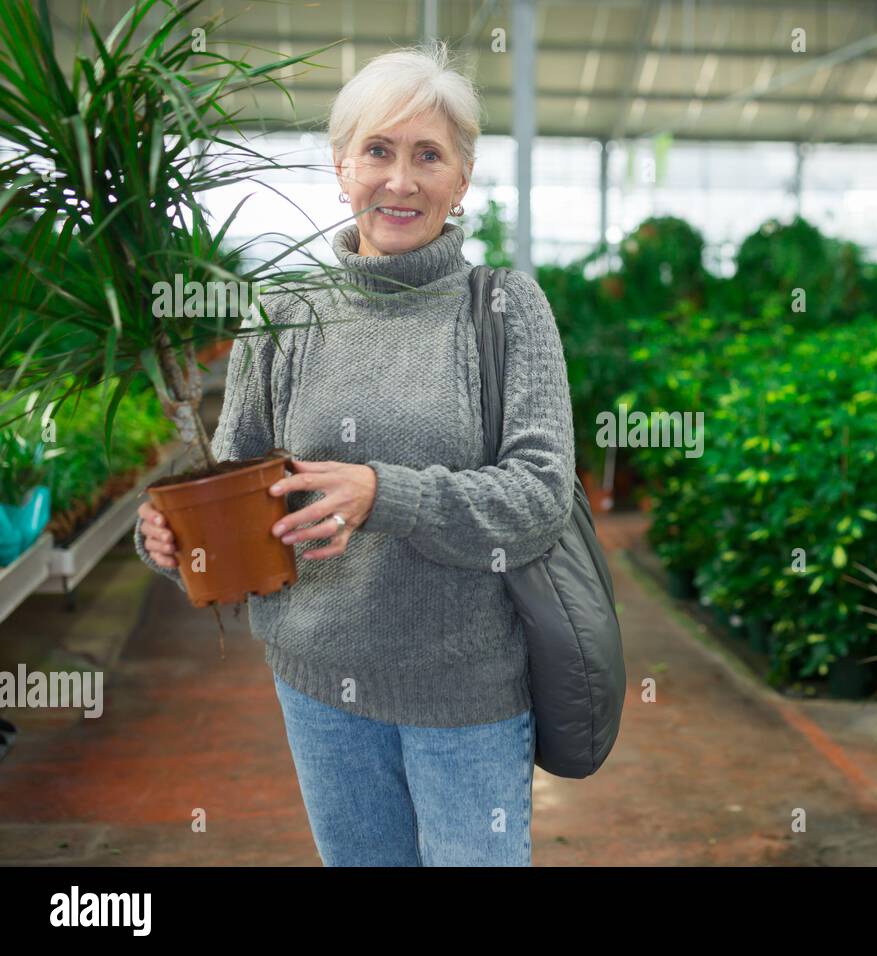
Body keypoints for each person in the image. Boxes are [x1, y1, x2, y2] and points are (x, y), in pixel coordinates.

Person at [133, 40, 575, 867]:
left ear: (463, 179)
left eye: (428, 156)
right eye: (378, 151)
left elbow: (542, 497)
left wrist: (387, 494)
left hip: (466, 696)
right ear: (342, 168)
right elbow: (233, 485)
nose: (401, 181)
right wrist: (167, 541)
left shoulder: (506, 308)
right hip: (317, 685)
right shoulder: (286, 309)